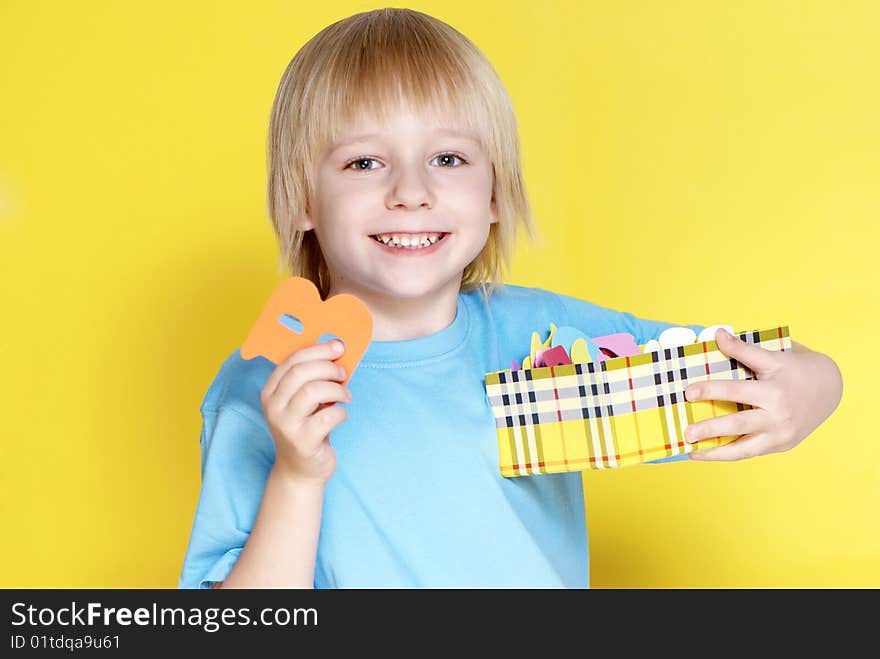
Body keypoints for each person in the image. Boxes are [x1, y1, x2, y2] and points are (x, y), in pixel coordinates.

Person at [178, 8, 842, 588]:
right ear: (302, 201)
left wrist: (815, 385)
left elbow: (755, 376)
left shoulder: (546, 340)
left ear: (495, 193)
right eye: (364, 162)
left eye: (448, 159)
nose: (412, 191)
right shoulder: (263, 388)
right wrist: (297, 475)